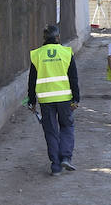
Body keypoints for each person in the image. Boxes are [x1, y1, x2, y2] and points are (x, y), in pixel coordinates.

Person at [28, 24, 80, 175]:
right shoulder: (66, 53)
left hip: (46, 101)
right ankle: (65, 157)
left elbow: (32, 80)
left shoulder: (37, 55)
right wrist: (76, 99)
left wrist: (32, 100)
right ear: (58, 37)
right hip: (65, 99)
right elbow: (73, 78)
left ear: (44, 38)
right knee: (67, 127)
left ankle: (55, 166)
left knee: (51, 131)